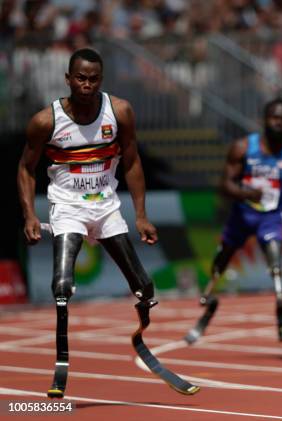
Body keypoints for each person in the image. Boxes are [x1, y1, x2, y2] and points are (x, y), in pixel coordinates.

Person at [17, 47, 198, 398]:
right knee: (62, 287)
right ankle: (62, 366)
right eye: (80, 78)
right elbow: (26, 168)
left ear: (102, 79)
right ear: (68, 79)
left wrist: (142, 216)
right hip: (67, 207)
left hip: (106, 208)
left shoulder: (119, 112)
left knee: (145, 287)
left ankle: (140, 335)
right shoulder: (46, 121)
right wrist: (29, 214)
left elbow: (131, 161)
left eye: (93, 79)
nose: (87, 85)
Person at [184, 98, 282, 345]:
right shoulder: (242, 148)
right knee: (221, 261)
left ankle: (280, 308)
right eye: (274, 117)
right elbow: (224, 185)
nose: (278, 123)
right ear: (264, 120)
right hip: (242, 214)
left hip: (272, 216)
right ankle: (209, 301)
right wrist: (246, 193)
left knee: (275, 256)